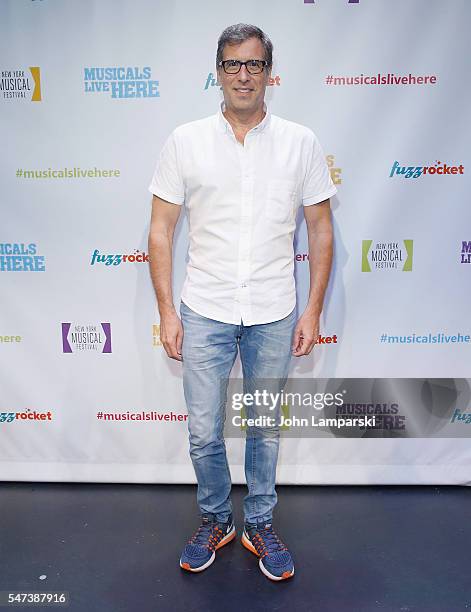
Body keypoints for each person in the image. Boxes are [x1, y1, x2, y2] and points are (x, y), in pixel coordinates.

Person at [148, 23, 337, 581]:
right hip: (204, 306)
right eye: (233, 64)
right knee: (204, 428)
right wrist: (165, 310)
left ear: (269, 73)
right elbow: (160, 231)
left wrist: (313, 310)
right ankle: (215, 519)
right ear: (218, 72)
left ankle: (258, 521)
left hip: (275, 310)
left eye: (254, 65)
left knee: (263, 426)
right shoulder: (185, 140)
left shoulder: (300, 142)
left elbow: (321, 232)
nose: (243, 75)